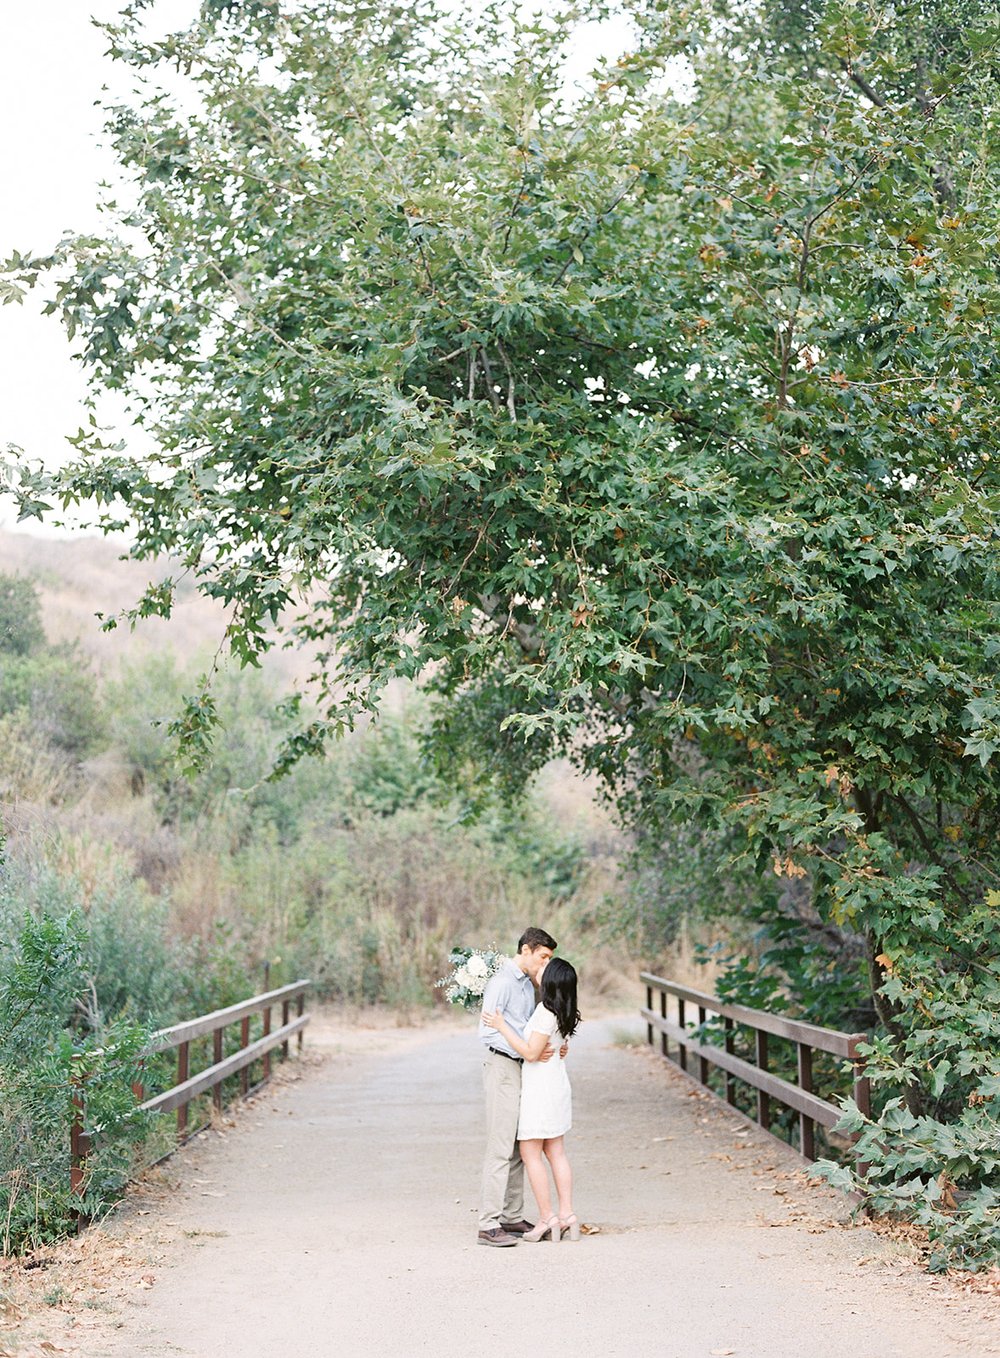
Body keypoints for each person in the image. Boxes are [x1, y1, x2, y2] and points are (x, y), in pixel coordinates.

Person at [482, 956, 581, 1243]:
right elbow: (555, 1046)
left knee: (530, 1153)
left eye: (545, 968)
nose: (540, 969)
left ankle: (547, 1217)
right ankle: (567, 1215)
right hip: (557, 1085)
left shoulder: (544, 1012)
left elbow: (530, 1052)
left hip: (540, 1090)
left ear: (550, 981)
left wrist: (501, 1025)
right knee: (556, 1152)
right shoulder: (565, 1011)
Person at [476, 927, 558, 1247]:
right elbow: (488, 1033)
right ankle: (488, 1222)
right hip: (501, 1066)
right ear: (526, 950)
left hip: (522, 1067)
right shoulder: (501, 983)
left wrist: (541, 1047)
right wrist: (526, 1049)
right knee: (499, 1145)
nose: (545, 964)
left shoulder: (528, 985)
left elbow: (526, 1027)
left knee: (517, 1146)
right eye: (543, 957)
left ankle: (511, 1216)